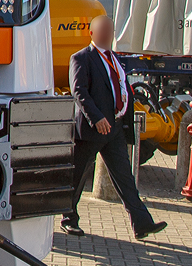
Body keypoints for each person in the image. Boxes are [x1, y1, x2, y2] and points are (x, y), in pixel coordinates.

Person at [61, 15, 167, 240]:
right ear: (92, 33)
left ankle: (142, 223)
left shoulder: (114, 59)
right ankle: (68, 219)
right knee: (78, 176)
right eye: (103, 31)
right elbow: (79, 91)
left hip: (115, 129)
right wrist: (96, 118)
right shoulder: (81, 58)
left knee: (125, 178)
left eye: (110, 31)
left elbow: (121, 89)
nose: (107, 36)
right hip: (92, 129)